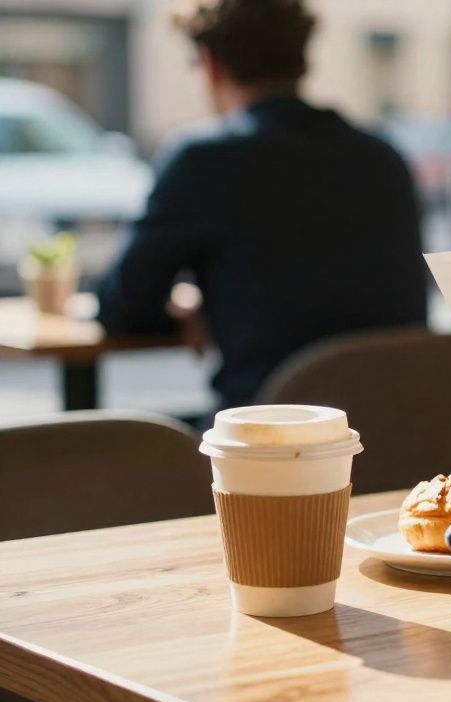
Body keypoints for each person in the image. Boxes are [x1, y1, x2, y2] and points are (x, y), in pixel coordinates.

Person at [96, 0, 428, 411]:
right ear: (302, 60)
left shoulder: (205, 162)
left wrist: (193, 313)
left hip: (267, 434)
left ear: (209, 63)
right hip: (399, 429)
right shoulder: (383, 159)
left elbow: (120, 307)